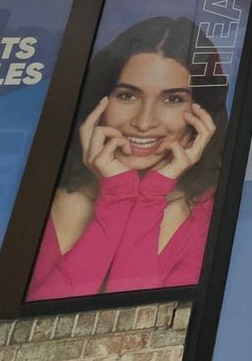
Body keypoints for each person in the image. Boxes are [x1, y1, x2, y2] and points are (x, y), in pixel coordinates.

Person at [28, 16, 224, 299]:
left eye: (172, 99)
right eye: (128, 96)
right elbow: (43, 326)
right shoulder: (42, 197)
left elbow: (134, 319)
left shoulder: (209, 213)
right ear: (100, 102)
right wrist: (119, 193)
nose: (144, 123)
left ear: (202, 117)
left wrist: (150, 193)